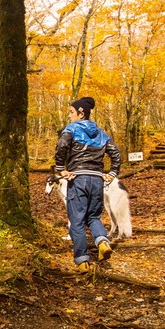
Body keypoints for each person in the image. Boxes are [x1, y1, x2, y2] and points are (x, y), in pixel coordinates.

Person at [54, 96, 122, 273]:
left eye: (71, 112)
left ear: (81, 113)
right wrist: (112, 173)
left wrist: (61, 169)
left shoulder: (72, 129)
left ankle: (82, 261)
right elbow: (116, 154)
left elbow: (61, 146)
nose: (69, 116)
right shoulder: (102, 133)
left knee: (76, 221)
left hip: (78, 179)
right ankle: (103, 242)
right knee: (93, 217)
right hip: (97, 181)